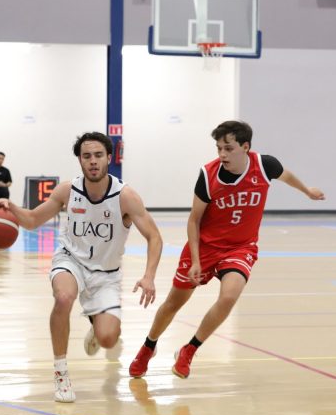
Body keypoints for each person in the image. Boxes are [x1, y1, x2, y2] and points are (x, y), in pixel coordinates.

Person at [128, 120, 325, 379]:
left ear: (245, 147)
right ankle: (149, 346)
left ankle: (189, 350)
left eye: (228, 148)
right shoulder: (208, 175)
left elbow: (286, 176)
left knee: (229, 297)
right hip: (205, 246)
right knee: (174, 303)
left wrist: (307, 191)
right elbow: (194, 220)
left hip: (240, 247)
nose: (222, 154)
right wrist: (196, 260)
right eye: (219, 148)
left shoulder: (265, 165)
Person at [0, 132, 162, 402]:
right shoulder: (67, 191)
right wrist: (10, 207)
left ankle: (95, 321)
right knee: (64, 297)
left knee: (108, 339)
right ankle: (61, 372)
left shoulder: (125, 196)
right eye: (87, 156)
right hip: (71, 260)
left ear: (109, 158)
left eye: (98, 155)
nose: (93, 161)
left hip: (106, 273)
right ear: (80, 160)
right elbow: (32, 220)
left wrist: (149, 276)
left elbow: (154, 237)